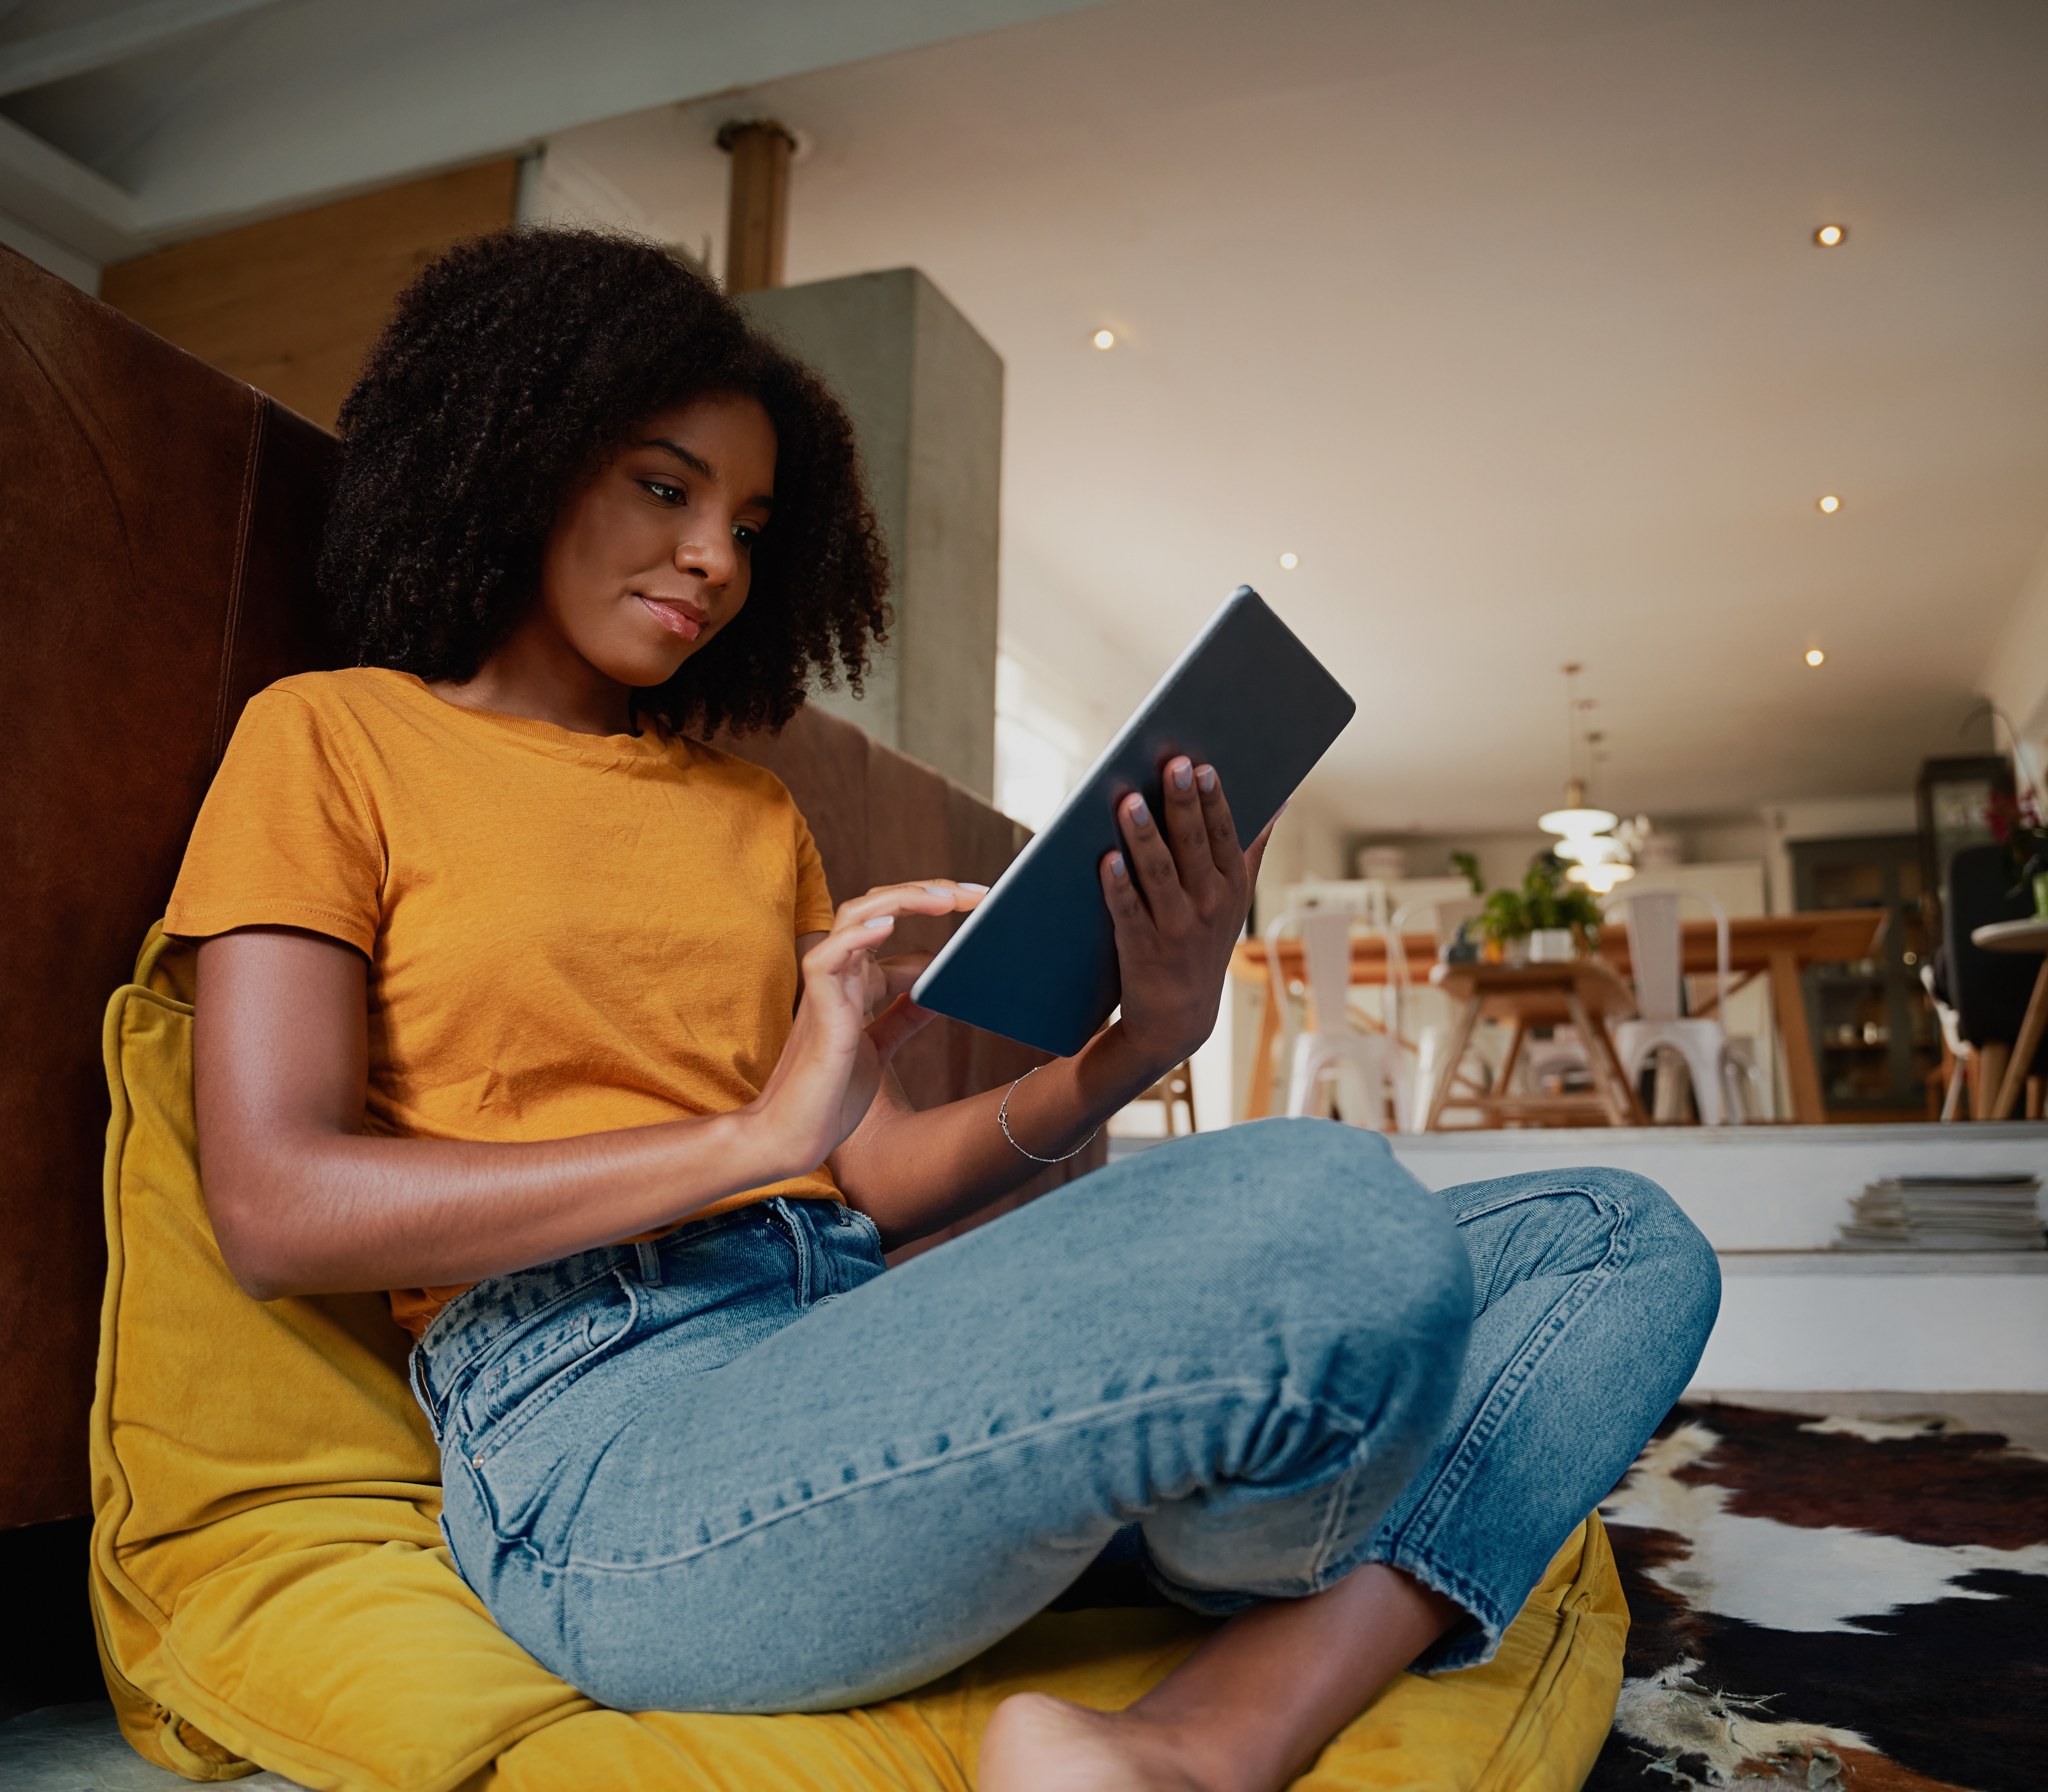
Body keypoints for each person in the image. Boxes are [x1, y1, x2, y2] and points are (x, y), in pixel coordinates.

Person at [169, 228, 1718, 1792]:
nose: (714, 556)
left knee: (1613, 1238)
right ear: (517, 452)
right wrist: (751, 1135)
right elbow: (276, 1203)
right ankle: (1285, 1521)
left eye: (752, 524)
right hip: (603, 1450)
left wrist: (1138, 1047)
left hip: (846, 1349)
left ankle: (1205, 1735)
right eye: (664, 487)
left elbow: (865, 1180)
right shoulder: (333, 740)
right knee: (1328, 1215)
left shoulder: (748, 816)